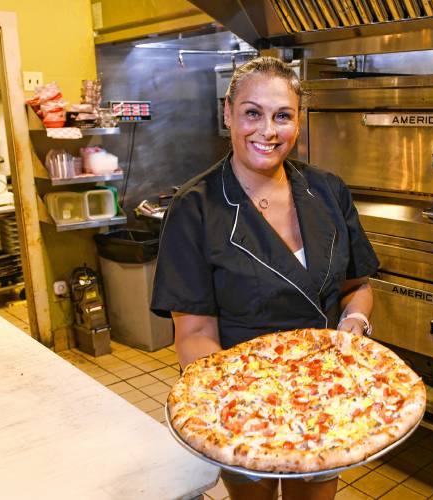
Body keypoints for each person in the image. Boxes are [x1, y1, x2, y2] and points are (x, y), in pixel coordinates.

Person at [151, 56, 379, 500]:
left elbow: (358, 287)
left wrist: (353, 327)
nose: (267, 131)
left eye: (283, 116)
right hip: (243, 402)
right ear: (228, 113)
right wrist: (247, 403)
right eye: (252, 113)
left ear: (298, 120)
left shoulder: (328, 191)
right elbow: (194, 333)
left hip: (324, 394)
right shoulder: (195, 208)